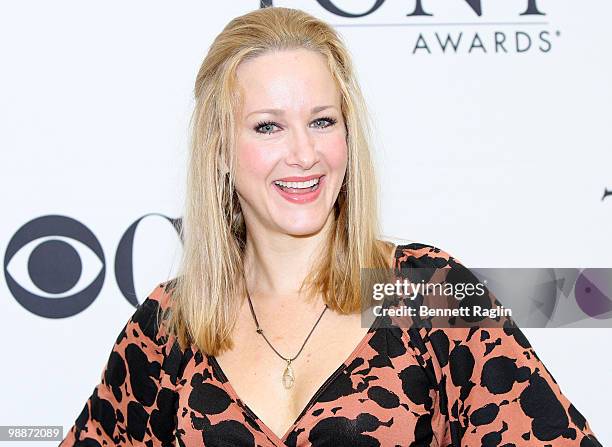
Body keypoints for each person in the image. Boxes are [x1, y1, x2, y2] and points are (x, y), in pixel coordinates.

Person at [60, 6, 602, 447]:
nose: (303, 154)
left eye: (322, 121)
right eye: (268, 126)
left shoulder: (419, 290)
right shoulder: (169, 325)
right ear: (219, 150)